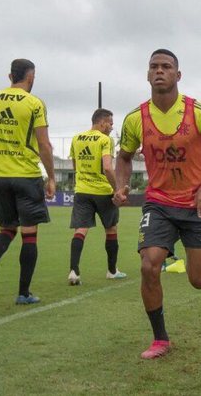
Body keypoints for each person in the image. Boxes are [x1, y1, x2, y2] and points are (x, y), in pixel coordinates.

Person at [114, 49, 201, 359]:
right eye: (154, 66)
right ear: (147, 74)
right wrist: (121, 185)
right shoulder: (135, 119)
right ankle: (160, 339)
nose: (159, 71)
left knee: (199, 281)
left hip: (196, 205)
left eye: (166, 66)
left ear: (178, 75)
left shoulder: (199, 113)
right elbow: (123, 157)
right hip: (159, 203)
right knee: (149, 264)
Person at [0, 59, 55, 305]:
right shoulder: (34, 103)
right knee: (29, 235)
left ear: (10, 76)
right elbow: (44, 144)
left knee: (7, 229)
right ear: (30, 77)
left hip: (0, 176)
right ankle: (23, 293)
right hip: (26, 176)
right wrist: (51, 176)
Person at [67, 108, 126, 286]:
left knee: (80, 230)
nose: (111, 126)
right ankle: (112, 271)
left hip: (82, 191)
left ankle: (73, 271)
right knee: (111, 229)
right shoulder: (105, 139)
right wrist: (117, 189)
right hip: (102, 192)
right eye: (110, 123)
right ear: (101, 122)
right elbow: (108, 167)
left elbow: (75, 165)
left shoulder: (76, 138)